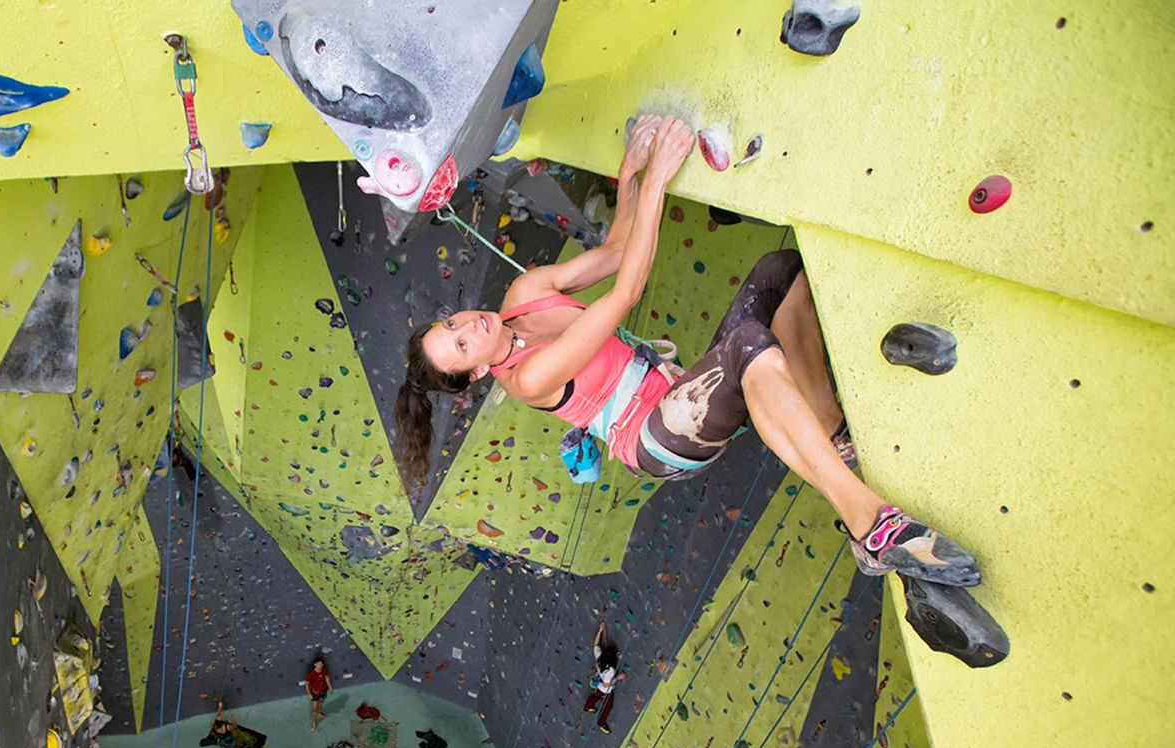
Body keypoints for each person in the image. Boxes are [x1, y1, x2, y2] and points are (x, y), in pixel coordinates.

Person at [393, 115, 981, 598]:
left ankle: (829, 434)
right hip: (653, 437)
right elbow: (626, 291)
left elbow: (618, 251)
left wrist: (630, 173)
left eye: (452, 323)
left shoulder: (522, 300)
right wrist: (659, 182)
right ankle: (869, 526)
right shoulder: (528, 377)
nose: (467, 325)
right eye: (461, 344)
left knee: (779, 273)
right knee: (750, 344)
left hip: (674, 393)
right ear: (473, 372)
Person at [584, 621, 625, 734]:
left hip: (600, 682)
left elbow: (596, 644)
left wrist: (600, 630)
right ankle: (601, 722)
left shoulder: (599, 657)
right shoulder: (610, 671)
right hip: (605, 688)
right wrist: (618, 678)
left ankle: (588, 706)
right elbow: (608, 684)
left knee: (596, 695)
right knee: (608, 705)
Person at [306, 655, 333, 732]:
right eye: (319, 664)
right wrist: (309, 694)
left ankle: (320, 712)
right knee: (315, 710)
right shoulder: (311, 674)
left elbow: (327, 678)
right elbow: (307, 683)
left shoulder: (324, 670)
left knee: (321, 704)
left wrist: (330, 687)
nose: (321, 665)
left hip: (323, 691)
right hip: (315, 693)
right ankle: (314, 722)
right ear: (315, 664)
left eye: (322, 664)